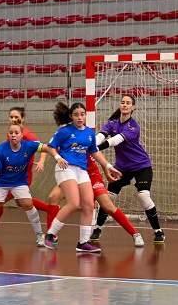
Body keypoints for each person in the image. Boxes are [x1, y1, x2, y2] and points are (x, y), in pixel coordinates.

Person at [43, 102, 122, 252]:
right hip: (65, 168)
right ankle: (50, 235)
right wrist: (58, 157)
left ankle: (83, 242)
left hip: (81, 170)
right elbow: (50, 147)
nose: (79, 117)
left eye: (82, 114)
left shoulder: (89, 133)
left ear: (86, 115)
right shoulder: (65, 131)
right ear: (71, 117)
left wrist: (109, 166)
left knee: (89, 205)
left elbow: (94, 152)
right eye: (76, 115)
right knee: (73, 203)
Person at [0, 123, 62, 246]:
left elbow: (46, 148)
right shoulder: (1, 150)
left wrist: (57, 155)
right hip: (1, 183)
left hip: (19, 182)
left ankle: (40, 235)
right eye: (11, 133)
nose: (13, 135)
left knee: (28, 204)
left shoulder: (29, 146)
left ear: (22, 135)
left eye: (16, 133)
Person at [92, 94, 165, 244]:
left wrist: (93, 149)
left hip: (141, 166)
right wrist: (91, 143)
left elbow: (114, 141)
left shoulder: (133, 127)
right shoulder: (112, 122)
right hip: (121, 168)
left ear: (133, 107)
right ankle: (98, 228)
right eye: (123, 102)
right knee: (108, 198)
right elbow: (101, 135)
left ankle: (158, 231)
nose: (125, 105)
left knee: (143, 196)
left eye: (128, 103)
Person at [0, 107, 57, 234]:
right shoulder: (12, 133)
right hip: (10, 175)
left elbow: (43, 148)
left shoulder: (27, 134)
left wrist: (41, 161)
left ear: (22, 119)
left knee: (0, 202)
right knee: (17, 202)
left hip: (21, 176)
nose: (13, 119)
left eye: (16, 117)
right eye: (11, 117)